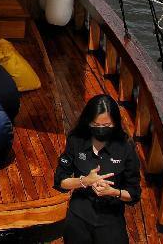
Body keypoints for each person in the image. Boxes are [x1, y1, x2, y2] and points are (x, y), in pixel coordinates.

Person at [54, 94, 141, 244]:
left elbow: (133, 194)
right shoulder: (76, 141)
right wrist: (84, 181)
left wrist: (113, 192)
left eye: (107, 126)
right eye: (96, 125)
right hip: (80, 214)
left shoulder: (125, 149)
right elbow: (60, 181)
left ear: (115, 123)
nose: (101, 129)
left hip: (111, 218)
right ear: (88, 122)